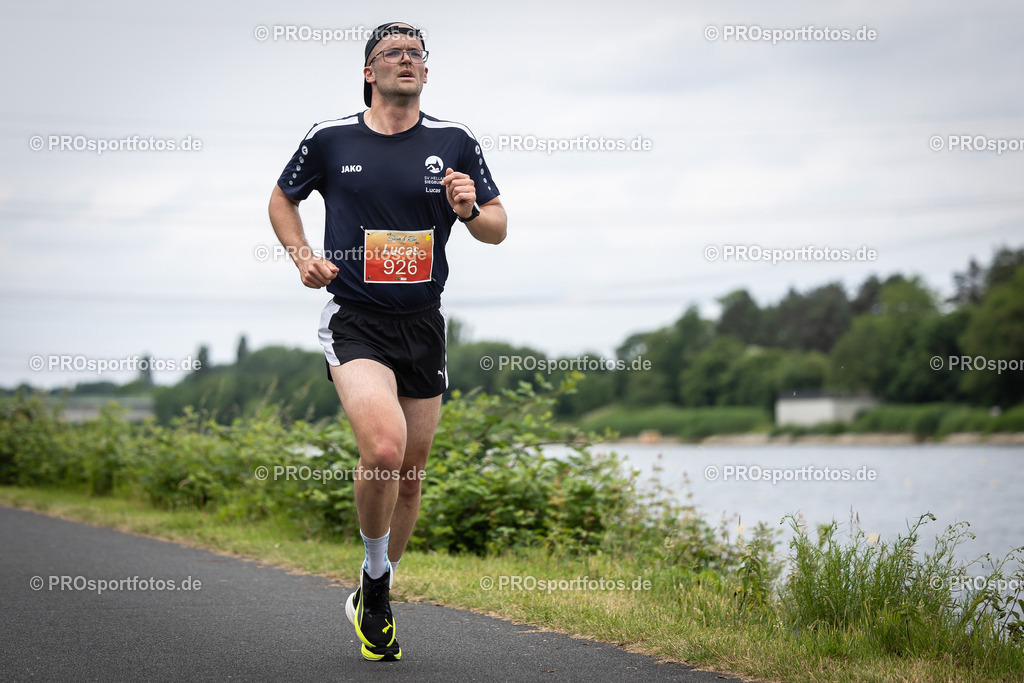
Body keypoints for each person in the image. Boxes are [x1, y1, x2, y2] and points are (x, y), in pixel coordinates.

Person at [268, 21, 506, 662]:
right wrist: (301, 258)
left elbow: (497, 228)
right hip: (357, 317)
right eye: (392, 54)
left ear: (426, 72)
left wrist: (468, 208)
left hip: (423, 324)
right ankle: (376, 589)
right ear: (369, 73)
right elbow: (281, 200)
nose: (407, 61)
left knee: (409, 477)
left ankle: (377, 580)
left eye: (416, 55)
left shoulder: (455, 142)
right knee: (382, 448)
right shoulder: (330, 137)